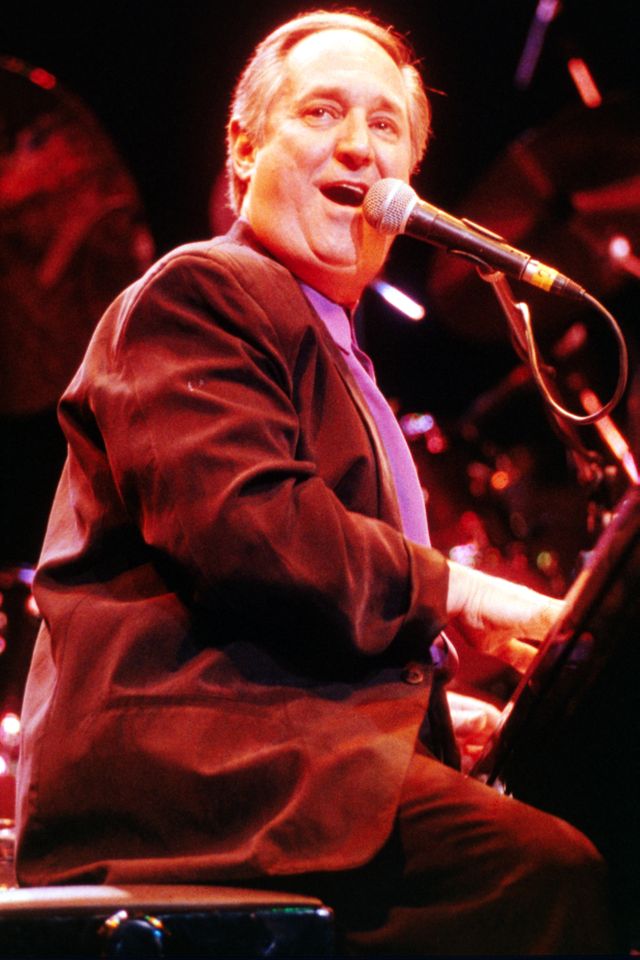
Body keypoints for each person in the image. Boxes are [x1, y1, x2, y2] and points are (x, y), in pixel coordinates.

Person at [15, 9, 615, 955]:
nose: (358, 146)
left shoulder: (340, 356)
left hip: (270, 764)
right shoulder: (200, 293)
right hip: (187, 789)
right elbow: (253, 533)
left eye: (386, 128)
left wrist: (424, 721)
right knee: (542, 875)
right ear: (244, 152)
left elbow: (293, 625)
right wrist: (464, 591)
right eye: (322, 112)